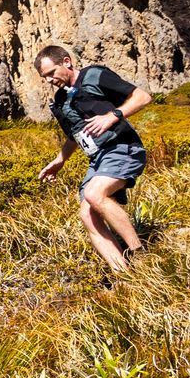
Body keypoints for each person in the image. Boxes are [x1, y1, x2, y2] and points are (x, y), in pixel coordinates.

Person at [34, 43, 154, 272]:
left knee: (94, 194)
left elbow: (143, 97)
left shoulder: (95, 75)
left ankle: (142, 256)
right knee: (87, 214)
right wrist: (59, 160)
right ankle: (124, 275)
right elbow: (74, 136)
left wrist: (113, 116)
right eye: (44, 77)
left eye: (51, 73)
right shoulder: (60, 101)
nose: (49, 80)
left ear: (66, 62)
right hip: (98, 159)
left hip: (122, 148)